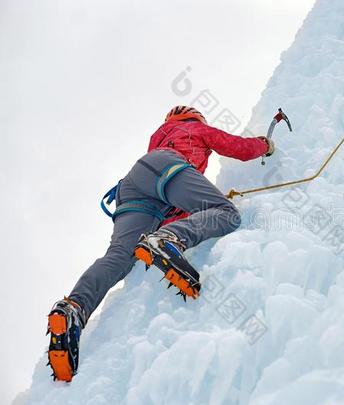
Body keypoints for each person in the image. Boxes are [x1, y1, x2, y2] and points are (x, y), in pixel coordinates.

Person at [46, 106, 274, 382]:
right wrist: (264, 145)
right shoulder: (194, 128)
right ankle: (169, 240)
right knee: (226, 213)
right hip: (168, 168)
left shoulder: (159, 137)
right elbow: (234, 146)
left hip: (131, 187)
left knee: (120, 256)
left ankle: (73, 309)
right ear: (195, 119)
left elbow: (171, 209)